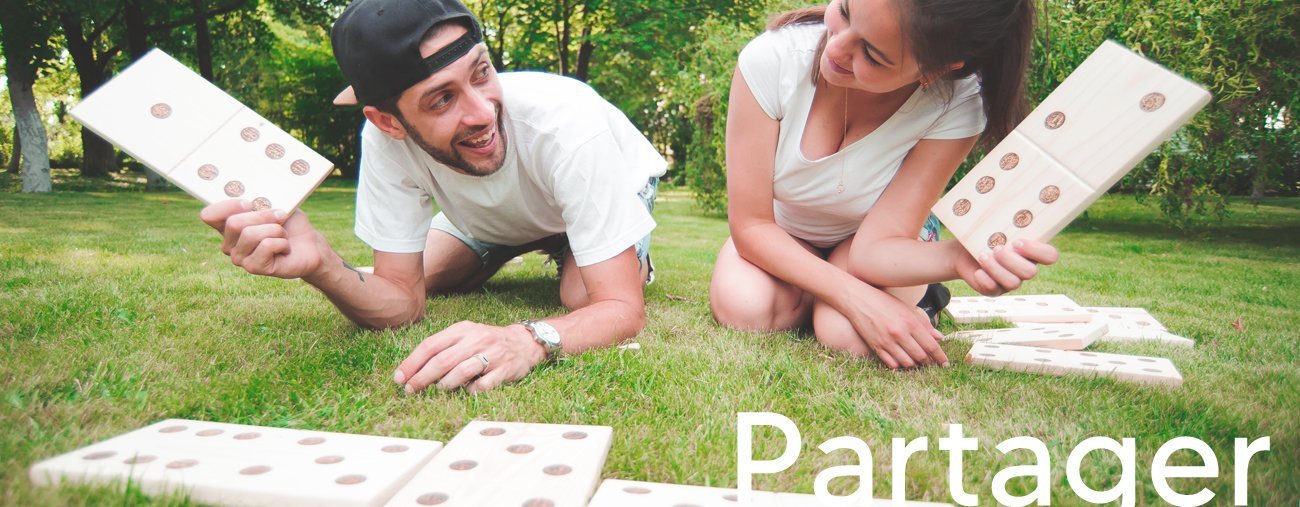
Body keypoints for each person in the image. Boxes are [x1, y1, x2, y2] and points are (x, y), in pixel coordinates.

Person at [200, 0, 666, 394]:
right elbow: (402, 300)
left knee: (582, 295)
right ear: (389, 122)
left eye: (481, 72)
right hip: (487, 219)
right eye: (442, 99)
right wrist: (325, 266)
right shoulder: (383, 143)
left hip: (609, 184)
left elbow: (622, 311)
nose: (484, 113)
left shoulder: (567, 123)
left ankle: (613, 249)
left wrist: (527, 339)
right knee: (432, 276)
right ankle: (570, 248)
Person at [709, 0, 1059, 369]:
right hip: (785, 230)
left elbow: (874, 251)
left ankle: (901, 299)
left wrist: (959, 259)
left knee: (844, 335)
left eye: (873, 55)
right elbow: (752, 224)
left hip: (869, 244)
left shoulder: (956, 105)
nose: (836, 47)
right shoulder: (772, 58)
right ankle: (822, 293)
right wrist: (853, 297)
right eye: (844, 12)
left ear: (938, 68)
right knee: (744, 308)